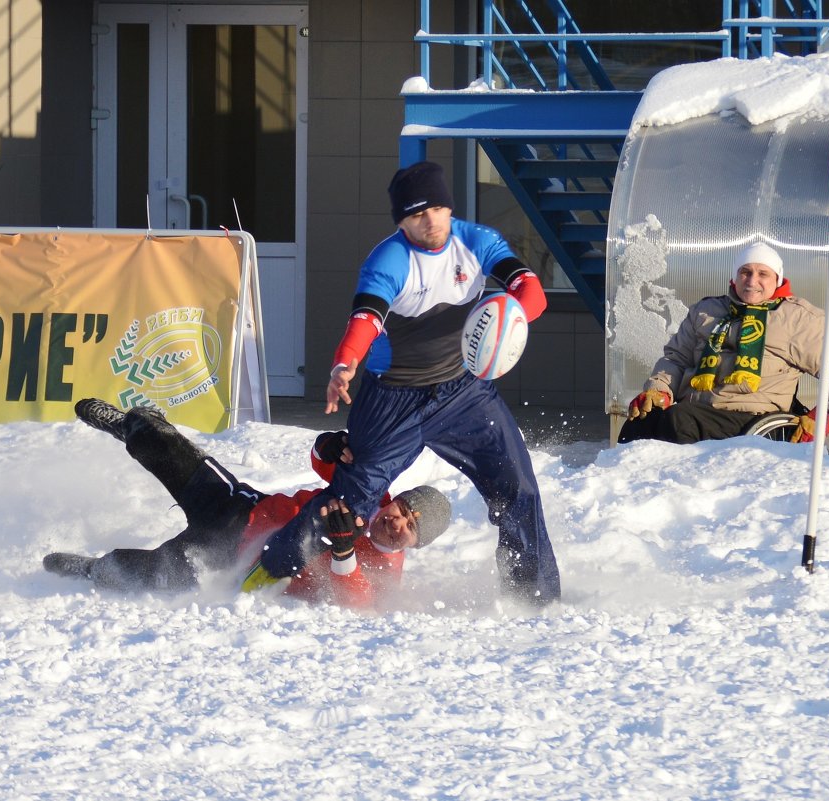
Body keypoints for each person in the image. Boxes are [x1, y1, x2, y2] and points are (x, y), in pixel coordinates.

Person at [245, 161, 561, 606]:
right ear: (401, 221)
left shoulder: (478, 242)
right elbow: (366, 319)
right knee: (347, 508)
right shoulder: (389, 260)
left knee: (519, 489)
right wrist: (344, 364)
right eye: (415, 215)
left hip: (463, 392)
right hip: (392, 399)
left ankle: (536, 600)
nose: (428, 221)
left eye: (435, 208)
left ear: (449, 207)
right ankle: (259, 576)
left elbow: (532, 291)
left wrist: (511, 317)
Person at [42, 399, 451, 609]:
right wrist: (330, 444)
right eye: (404, 511)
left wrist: (345, 555)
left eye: (411, 529)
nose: (398, 524)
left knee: (153, 572)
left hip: (234, 566)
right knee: (174, 454)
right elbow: (322, 460)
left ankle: (93, 569)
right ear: (394, 500)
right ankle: (136, 425)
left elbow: (360, 603)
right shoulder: (369, 492)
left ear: (412, 546)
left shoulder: (386, 567)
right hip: (242, 510)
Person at [617, 242, 829, 445]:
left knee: (680, 420)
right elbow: (676, 359)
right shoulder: (707, 311)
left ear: (777, 279)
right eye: (745, 272)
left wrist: (824, 417)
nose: (752, 280)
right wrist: (659, 389)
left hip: (753, 418)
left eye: (763, 274)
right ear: (734, 278)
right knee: (641, 420)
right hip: (697, 409)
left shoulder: (798, 319)